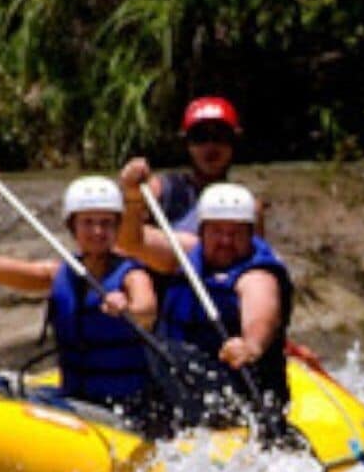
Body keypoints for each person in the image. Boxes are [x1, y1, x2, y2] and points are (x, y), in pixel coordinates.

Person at [0, 161, 163, 426]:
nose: (97, 232)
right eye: (88, 223)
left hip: (122, 411)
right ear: (72, 227)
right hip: (74, 398)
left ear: (117, 227)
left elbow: (146, 310)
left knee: (37, 407)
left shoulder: (131, 276)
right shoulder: (58, 273)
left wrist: (127, 308)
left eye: (106, 223)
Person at [118, 163, 294, 440]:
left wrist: (250, 346)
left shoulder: (257, 275)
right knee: (150, 349)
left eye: (235, 233)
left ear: (251, 234)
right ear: (202, 231)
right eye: (217, 231)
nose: (225, 241)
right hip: (185, 383)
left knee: (163, 353)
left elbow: (261, 314)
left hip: (237, 392)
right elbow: (131, 243)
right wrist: (132, 198)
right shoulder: (185, 252)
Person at [149, 96, 243, 233]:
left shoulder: (245, 204)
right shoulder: (161, 191)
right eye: (200, 137)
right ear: (186, 145)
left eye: (221, 136)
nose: (211, 147)